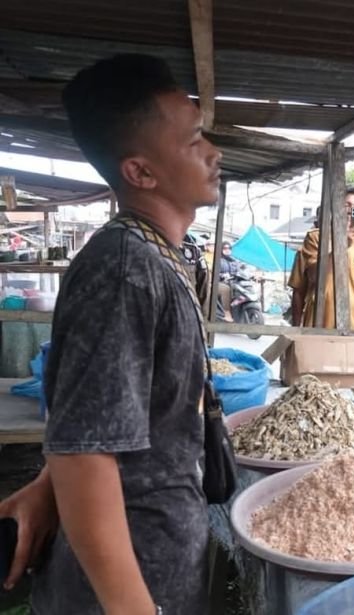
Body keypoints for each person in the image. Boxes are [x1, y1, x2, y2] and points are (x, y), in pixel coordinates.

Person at [0, 54, 221, 613]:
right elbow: (86, 453)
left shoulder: (153, 254)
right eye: (194, 140)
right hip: (130, 581)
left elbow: (98, 414)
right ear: (141, 173)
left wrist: (46, 485)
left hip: (160, 555)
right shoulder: (124, 269)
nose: (214, 152)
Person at [288, 189, 354, 330]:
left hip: (352, 328)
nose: (351, 211)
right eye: (347, 205)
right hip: (318, 327)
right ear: (336, 208)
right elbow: (313, 277)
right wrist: (296, 328)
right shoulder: (316, 238)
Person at [217, 240, 240, 321]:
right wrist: (222, 275)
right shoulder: (218, 260)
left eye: (229, 248)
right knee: (226, 289)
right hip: (221, 282)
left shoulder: (234, 261)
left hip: (233, 282)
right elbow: (215, 273)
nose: (227, 250)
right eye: (225, 248)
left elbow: (240, 271)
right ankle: (227, 311)